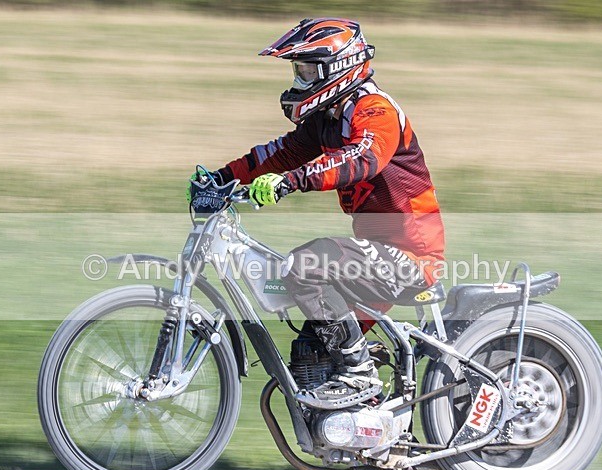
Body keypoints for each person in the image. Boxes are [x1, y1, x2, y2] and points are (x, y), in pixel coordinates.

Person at [190, 18, 445, 409]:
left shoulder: (375, 110)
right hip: (372, 254)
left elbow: (361, 159)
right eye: (299, 69)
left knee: (306, 264)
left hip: (411, 256)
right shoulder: (327, 121)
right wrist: (220, 178)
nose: (300, 78)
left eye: (308, 69)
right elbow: (276, 154)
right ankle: (358, 438)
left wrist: (290, 182)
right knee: (311, 351)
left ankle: (359, 373)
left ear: (337, 68)